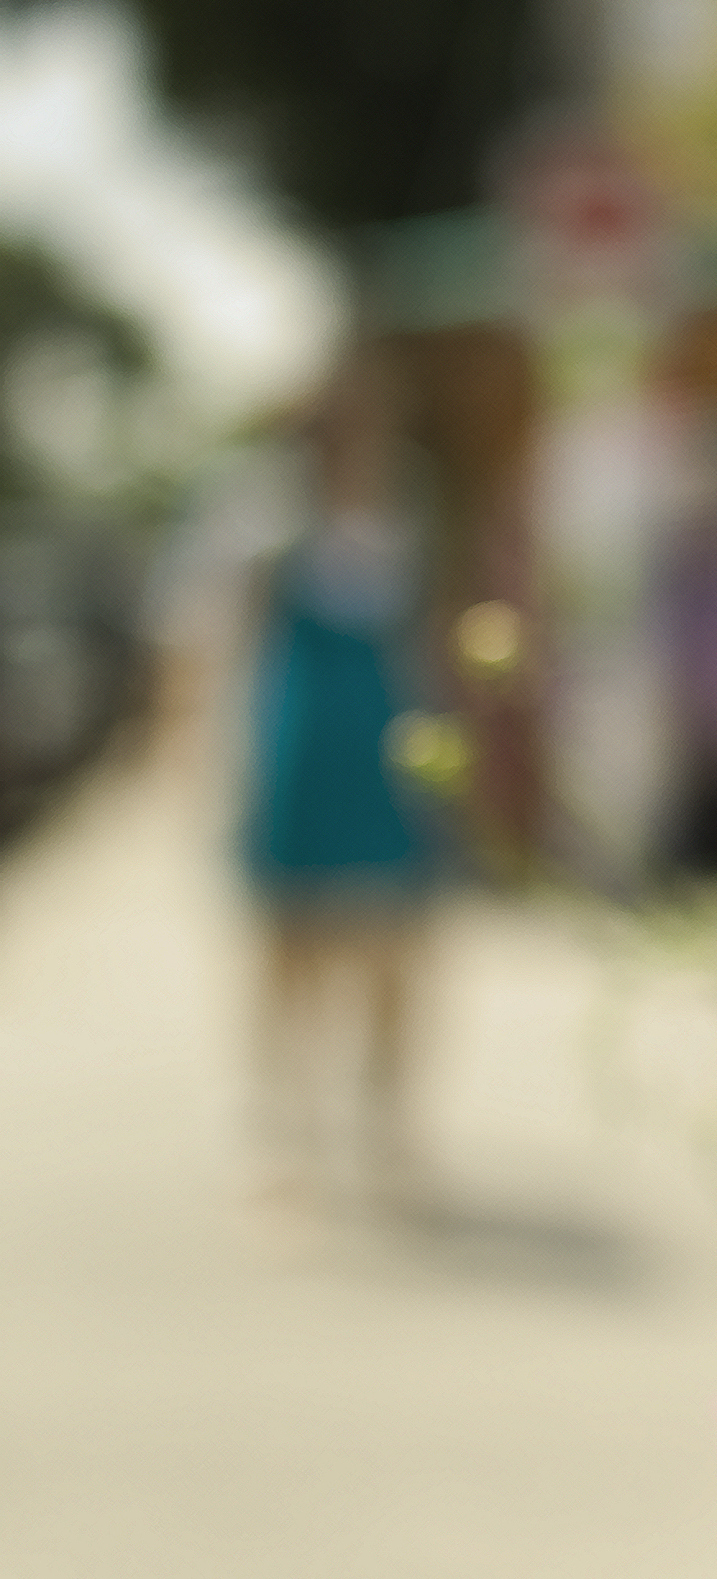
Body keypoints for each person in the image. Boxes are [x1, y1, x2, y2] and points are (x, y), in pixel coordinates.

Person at [235, 341, 442, 1217]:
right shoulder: (264, 516)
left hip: (387, 749)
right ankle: (290, 1132)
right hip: (300, 746)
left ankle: (386, 1126)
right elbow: (227, 637)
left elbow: (429, 636)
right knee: (293, 947)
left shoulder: (410, 507)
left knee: (395, 945)